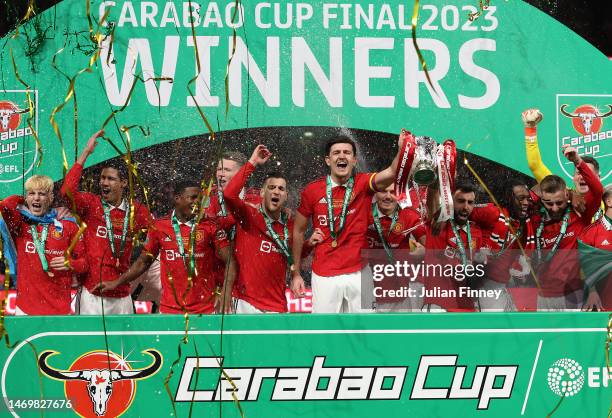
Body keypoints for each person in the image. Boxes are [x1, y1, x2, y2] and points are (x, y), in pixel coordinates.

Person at [290, 134, 409, 313]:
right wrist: (296, 273)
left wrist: (402, 149)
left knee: (365, 330)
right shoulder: (312, 190)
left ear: (354, 160)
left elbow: (392, 172)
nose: (342, 156)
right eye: (336, 152)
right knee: (325, 332)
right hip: (324, 274)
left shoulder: (363, 184)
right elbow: (298, 231)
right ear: (328, 160)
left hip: (359, 272)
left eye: (347, 152)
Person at [96, 181, 235, 314]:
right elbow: (143, 262)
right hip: (169, 310)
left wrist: (226, 291)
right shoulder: (159, 227)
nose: (197, 202)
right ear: (177, 199)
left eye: (200, 199)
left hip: (205, 309)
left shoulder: (210, 226)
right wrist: (117, 282)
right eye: (192, 198)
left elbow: (230, 261)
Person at [61, 130, 152, 314]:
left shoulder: (137, 211)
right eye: (102, 178)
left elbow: (156, 240)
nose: (104, 183)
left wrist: (133, 276)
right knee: (90, 343)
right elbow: (66, 192)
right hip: (92, 295)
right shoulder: (92, 204)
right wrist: (86, 153)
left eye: (110, 179)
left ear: (124, 183)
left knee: (123, 344)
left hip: (123, 296)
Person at [221, 145, 321, 313]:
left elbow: (292, 254)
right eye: (271, 187)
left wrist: (309, 244)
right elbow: (229, 194)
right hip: (247, 302)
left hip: (277, 304)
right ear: (262, 192)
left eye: (281, 189)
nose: (276, 191)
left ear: (286, 196)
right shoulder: (249, 216)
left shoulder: (290, 225)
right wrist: (252, 162)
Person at [1, 175, 87, 315]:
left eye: (41, 194)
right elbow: (4, 205)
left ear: (51, 198)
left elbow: (85, 263)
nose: (36, 198)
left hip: (59, 310)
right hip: (25, 309)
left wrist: (71, 264)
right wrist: (22, 199)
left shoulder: (68, 225)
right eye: (31, 193)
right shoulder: (20, 225)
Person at [532, 145, 603, 310]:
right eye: (549, 203)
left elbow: (598, 190)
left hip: (573, 294)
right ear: (542, 199)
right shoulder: (536, 218)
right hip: (542, 296)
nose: (555, 208)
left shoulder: (580, 212)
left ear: (566, 195)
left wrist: (577, 161)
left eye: (559, 203)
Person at [470, 180, 535, 311]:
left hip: (503, 286)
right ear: (508, 197)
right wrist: (474, 247)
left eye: (528, 199)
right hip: (486, 286)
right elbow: (462, 213)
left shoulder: (522, 225)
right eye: (521, 198)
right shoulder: (492, 213)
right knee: (495, 329)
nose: (526, 202)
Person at [421, 183, 487, 311]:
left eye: (470, 202)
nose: (465, 207)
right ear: (451, 202)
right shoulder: (439, 224)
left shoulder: (476, 231)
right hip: (439, 304)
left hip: (465, 305)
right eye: (460, 201)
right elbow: (432, 195)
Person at [365, 184, 426, 311]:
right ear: (375, 193)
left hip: (400, 294)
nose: (388, 196)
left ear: (399, 194)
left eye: (392, 192)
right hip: (367, 293)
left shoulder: (408, 215)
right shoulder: (363, 214)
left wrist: (423, 251)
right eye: (383, 191)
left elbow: (429, 245)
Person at [578, 185, 612, 311]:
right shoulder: (590, 232)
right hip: (601, 304)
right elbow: (582, 266)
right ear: (609, 202)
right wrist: (591, 291)